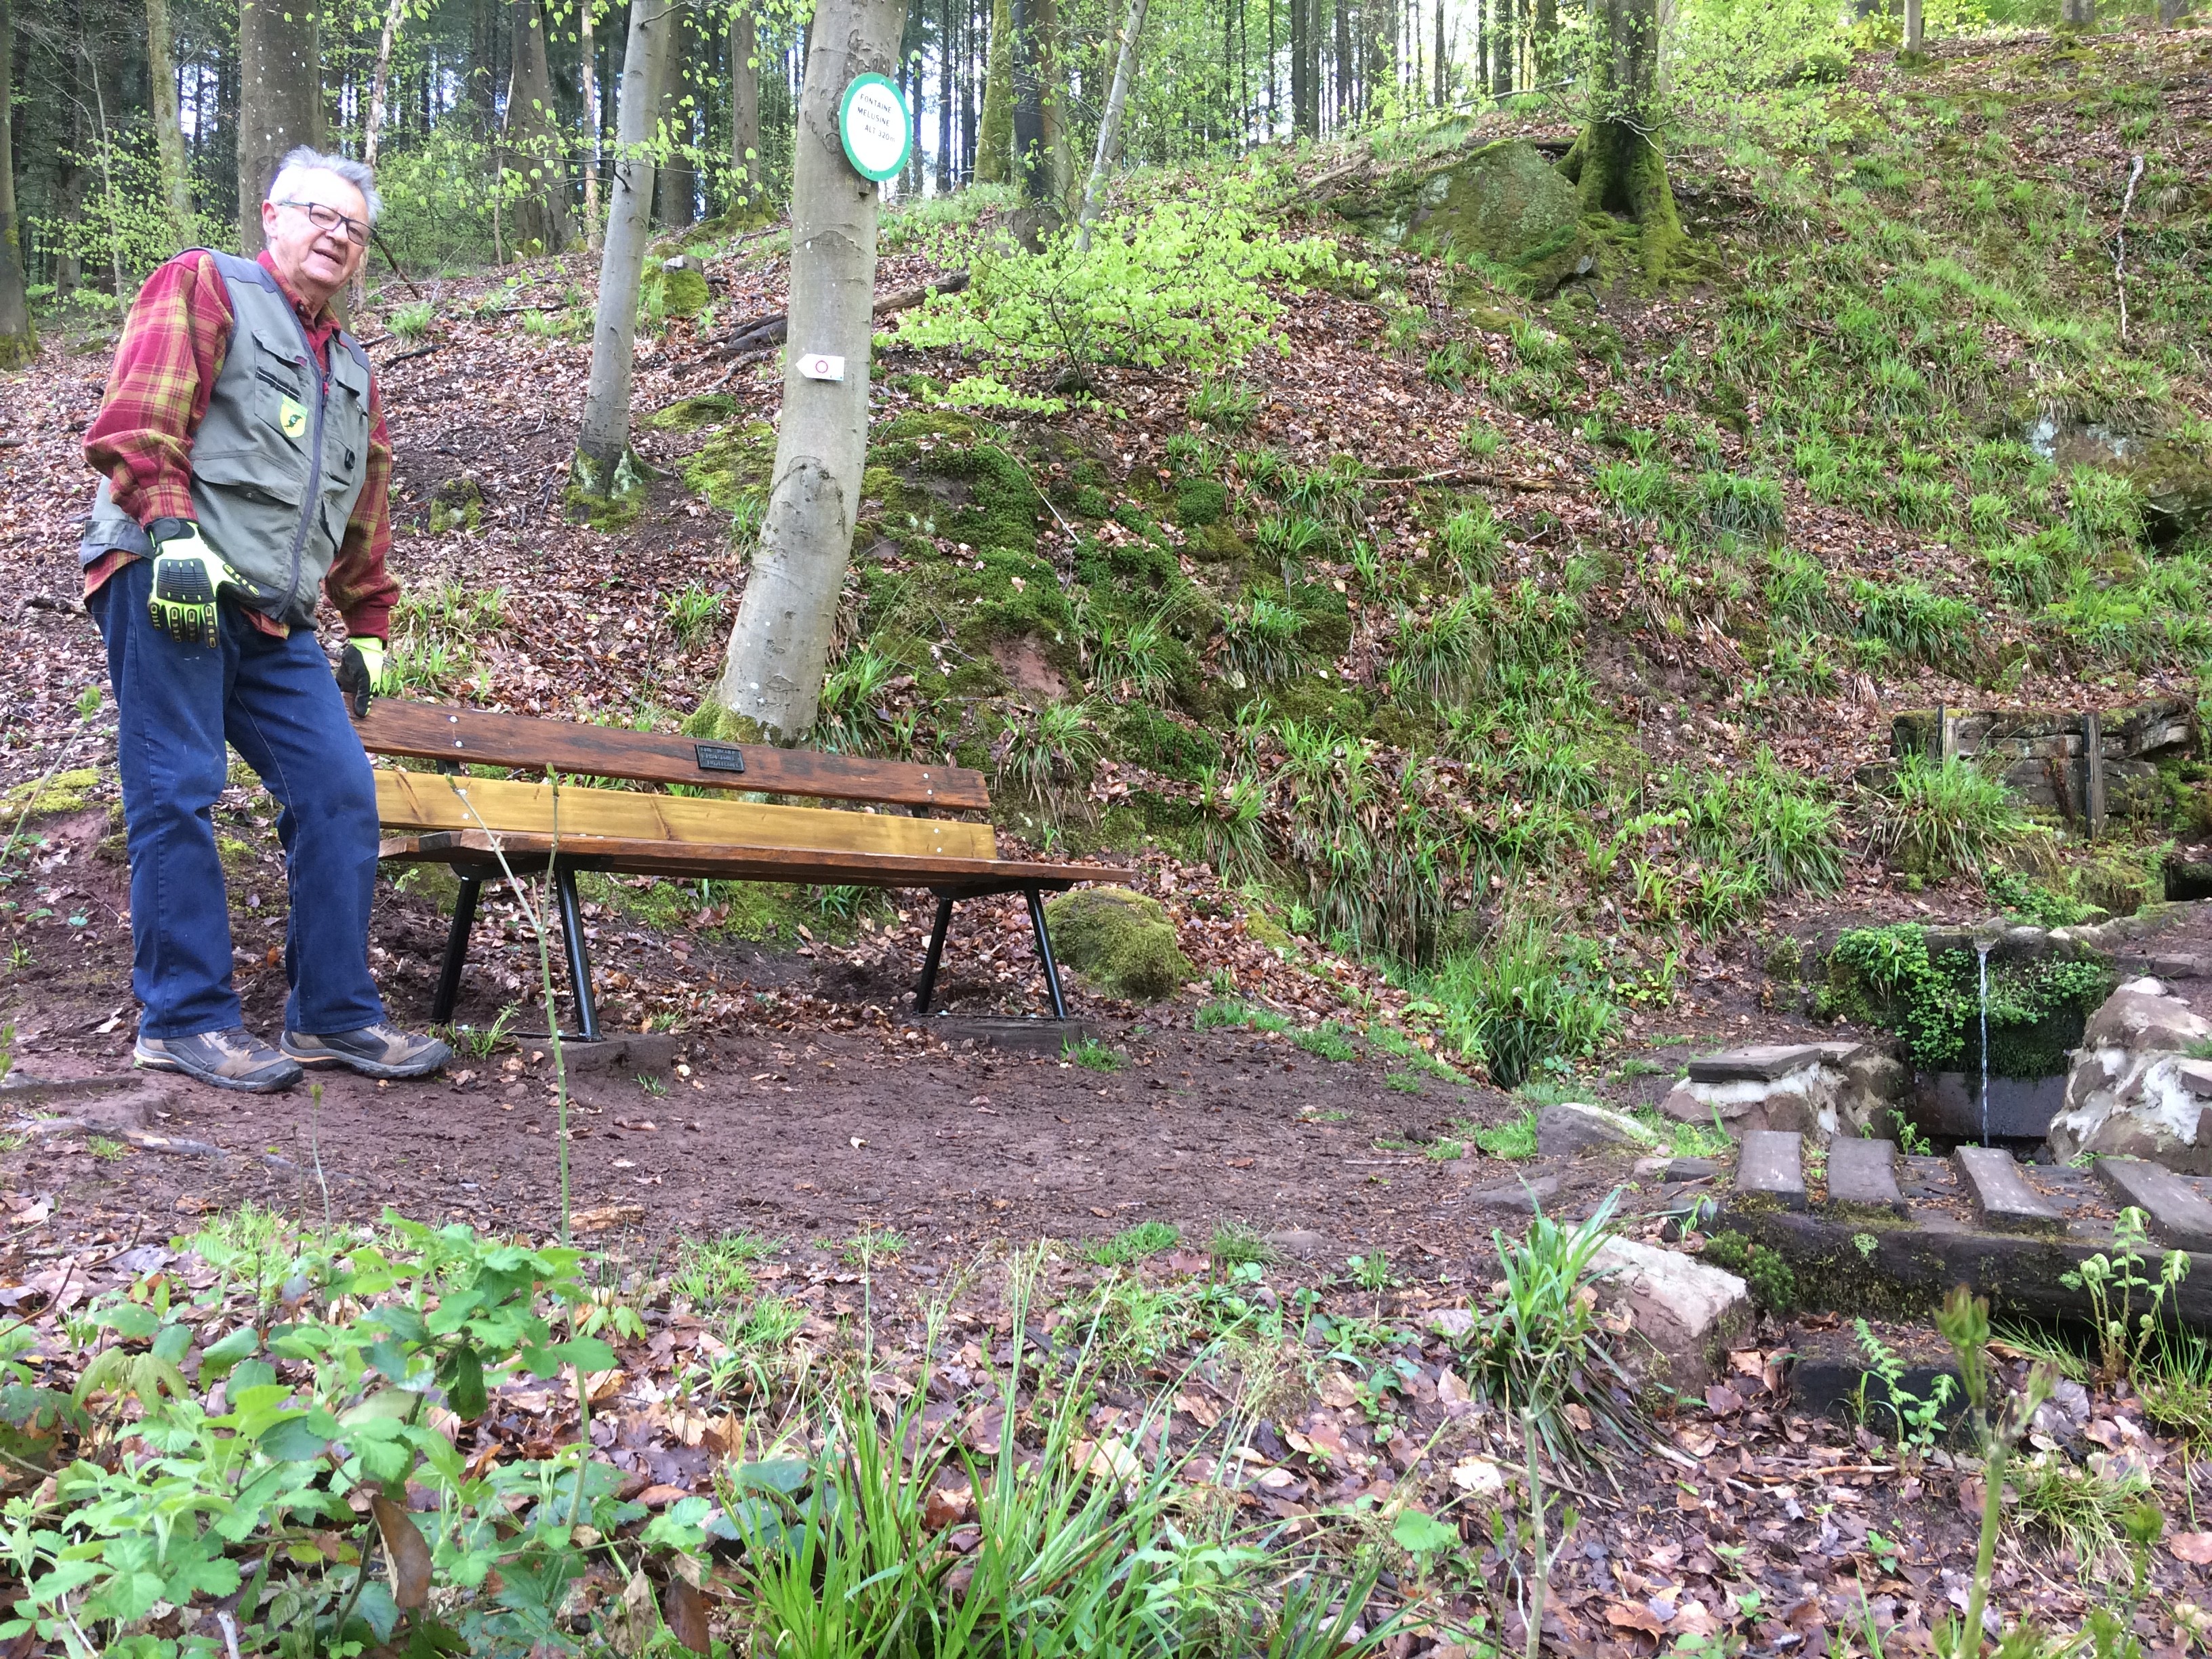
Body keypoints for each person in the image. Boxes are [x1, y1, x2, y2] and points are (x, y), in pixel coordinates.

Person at [78, 147, 450, 1094]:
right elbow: (137, 419)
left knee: (337, 792)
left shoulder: (352, 367)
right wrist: (169, 532)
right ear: (272, 215)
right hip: (171, 580)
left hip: (276, 618)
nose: (336, 235)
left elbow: (363, 504)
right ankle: (184, 1020)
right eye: (319, 215)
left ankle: (331, 1017)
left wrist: (369, 620)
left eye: (354, 228)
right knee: (178, 788)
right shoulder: (206, 285)